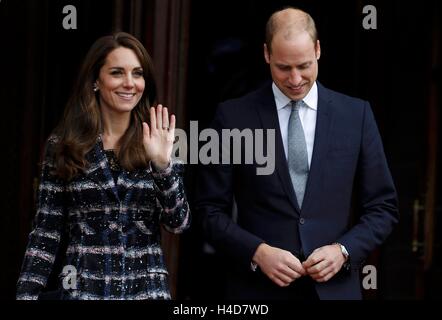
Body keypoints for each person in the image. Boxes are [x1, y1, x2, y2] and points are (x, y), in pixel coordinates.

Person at [195, 7, 398, 300]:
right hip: (255, 291)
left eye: (303, 66)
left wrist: (344, 250)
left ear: (318, 50)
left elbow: (383, 207)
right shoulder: (233, 117)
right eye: (283, 67)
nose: (294, 79)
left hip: (335, 291)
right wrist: (257, 252)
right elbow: (208, 211)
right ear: (266, 54)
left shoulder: (356, 115)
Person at [16, 32, 190, 300]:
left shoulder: (163, 137)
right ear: (96, 80)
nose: (130, 83)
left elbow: (178, 223)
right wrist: (27, 296)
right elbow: (46, 232)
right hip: (84, 291)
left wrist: (162, 165)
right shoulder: (65, 143)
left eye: (138, 73)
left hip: (146, 293)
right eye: (118, 73)